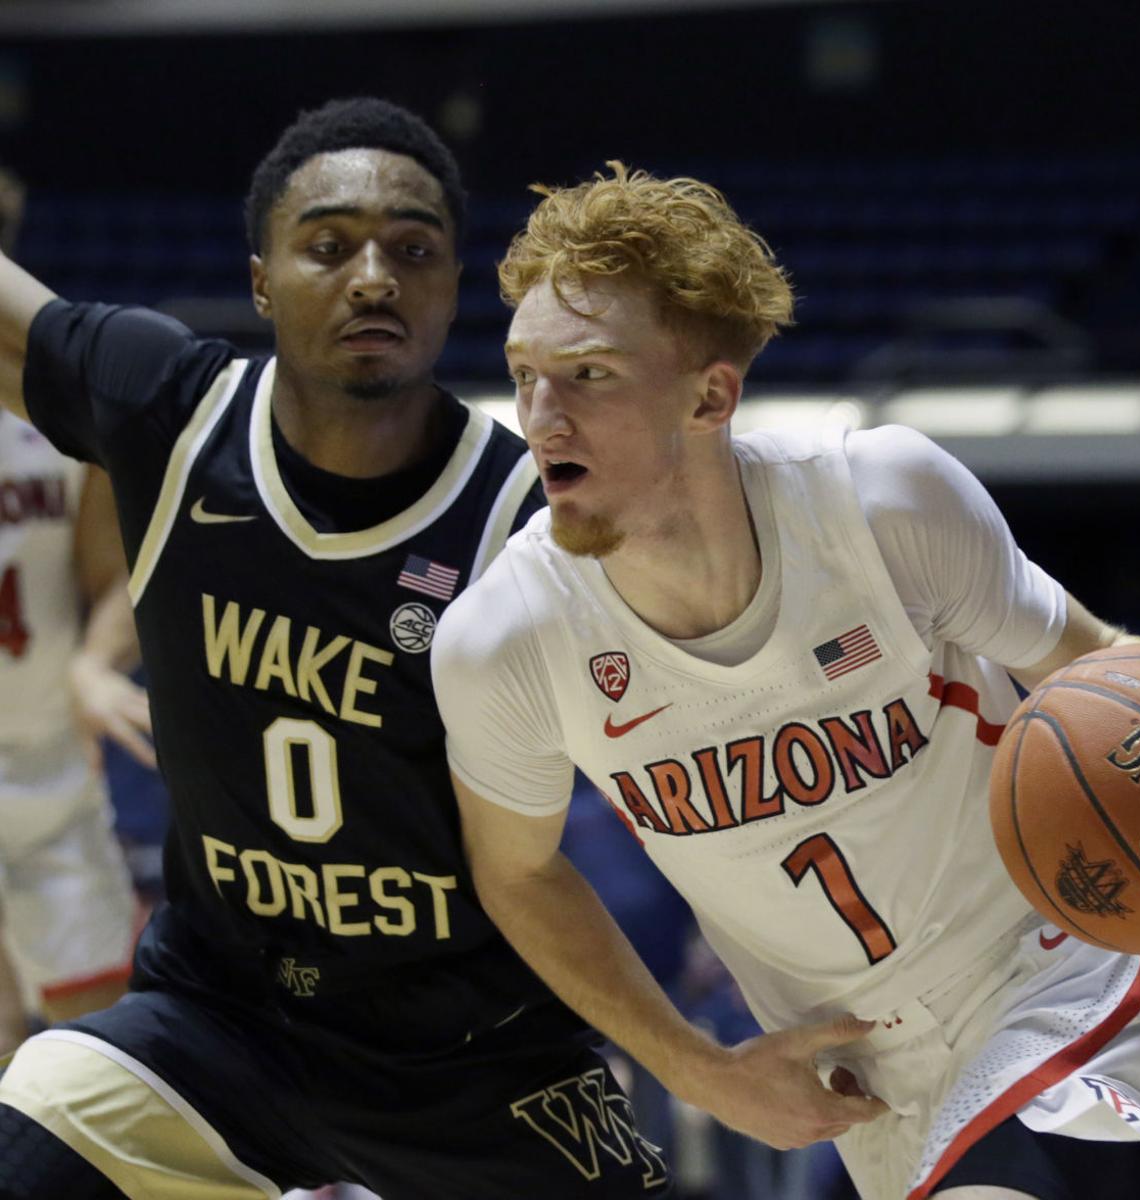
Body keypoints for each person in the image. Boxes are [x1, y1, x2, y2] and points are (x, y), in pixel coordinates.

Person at [430, 162, 1140, 1200]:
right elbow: (517, 873)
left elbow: (1097, 671)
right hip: (868, 1085)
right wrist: (698, 1069)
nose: (541, 415)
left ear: (711, 394)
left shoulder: (880, 503)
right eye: (525, 373)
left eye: (591, 375)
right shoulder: (504, 639)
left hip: (1063, 975)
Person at [0, 103, 667, 1199]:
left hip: (474, 1061)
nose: (373, 279)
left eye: (412, 251)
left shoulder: (536, 524)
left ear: (457, 286)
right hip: (212, 1029)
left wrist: (711, 1066)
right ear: (262, 278)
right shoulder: (173, 413)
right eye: (328, 246)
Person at [0, 165, 146, 1056]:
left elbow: (113, 577)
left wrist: (96, 662)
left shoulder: (57, 404)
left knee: (97, 1055)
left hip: (49, 766)